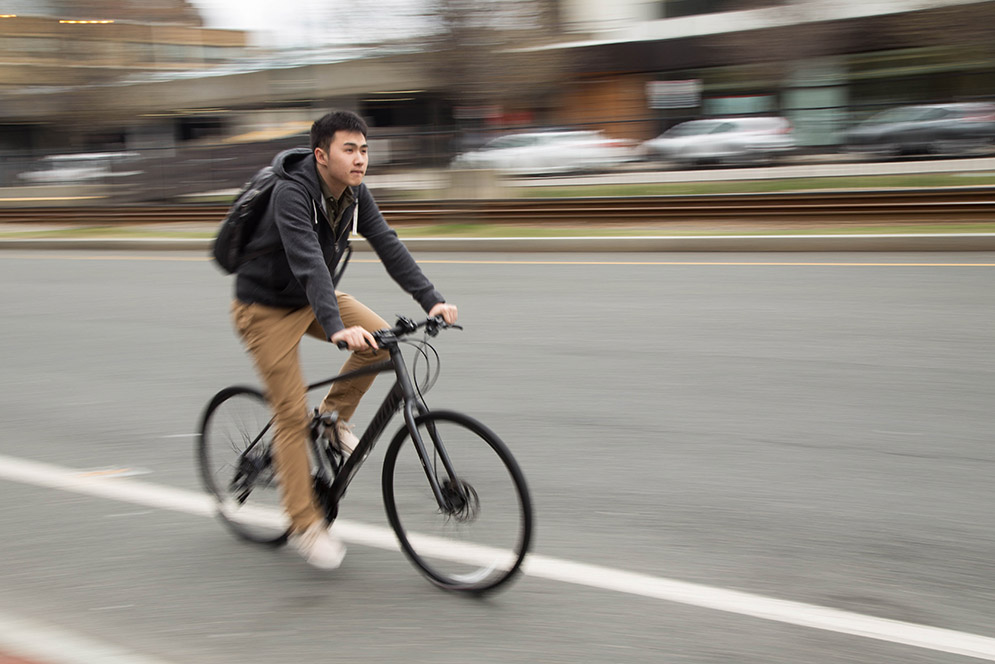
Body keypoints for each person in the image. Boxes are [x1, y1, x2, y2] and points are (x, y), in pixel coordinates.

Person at [230, 110, 458, 569]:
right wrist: (335, 326)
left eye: (364, 149)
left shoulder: (354, 193)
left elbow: (387, 243)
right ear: (321, 155)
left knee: (379, 339)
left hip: (311, 298)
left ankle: (333, 420)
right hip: (266, 308)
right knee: (292, 414)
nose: (360, 159)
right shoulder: (293, 194)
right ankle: (304, 523)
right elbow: (308, 260)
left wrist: (430, 299)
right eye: (349, 149)